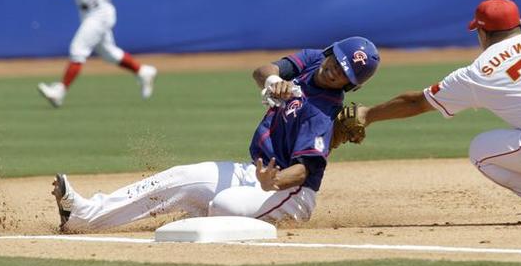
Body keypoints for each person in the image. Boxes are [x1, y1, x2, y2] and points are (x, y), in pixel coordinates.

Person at [51, 36, 380, 232]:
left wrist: (274, 183)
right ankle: (84, 215)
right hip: (253, 173)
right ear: (330, 52)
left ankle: (210, 218)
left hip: (291, 194)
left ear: (349, 84)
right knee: (182, 177)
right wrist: (271, 81)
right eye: (336, 60)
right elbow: (261, 70)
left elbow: (304, 171)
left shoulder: (322, 112)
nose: (334, 70)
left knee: (223, 204)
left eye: (343, 73)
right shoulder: (310, 61)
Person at [350, 0, 521, 223]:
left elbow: (416, 103)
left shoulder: (477, 72)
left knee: (480, 150)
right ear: (520, 23)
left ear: (482, 33)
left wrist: (369, 114)